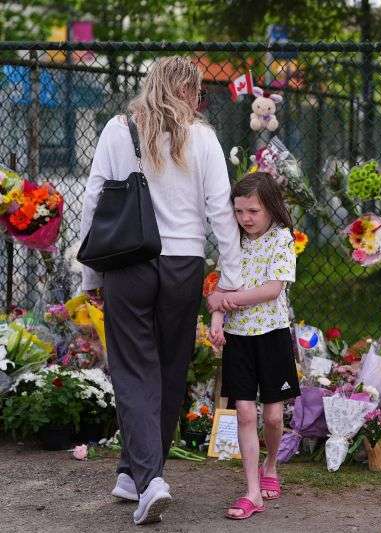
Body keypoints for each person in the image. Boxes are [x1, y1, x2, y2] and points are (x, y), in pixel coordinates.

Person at [78, 56, 243, 525]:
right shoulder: (205, 138)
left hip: (128, 263)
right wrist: (229, 279)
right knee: (169, 369)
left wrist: (90, 275)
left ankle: (146, 478)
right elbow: (220, 215)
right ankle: (136, 474)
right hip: (183, 266)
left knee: (133, 369)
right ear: (190, 91)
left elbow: (95, 199)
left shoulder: (117, 129)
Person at [207, 172, 300, 520]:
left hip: (272, 335)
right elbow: (222, 288)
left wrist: (226, 303)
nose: (245, 218)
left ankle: (271, 464)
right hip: (238, 339)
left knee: (273, 416)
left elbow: (270, 290)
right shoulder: (233, 242)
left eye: (253, 211)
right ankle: (252, 492)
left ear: (271, 209)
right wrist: (217, 320)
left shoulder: (281, 239)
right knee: (245, 412)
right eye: (239, 211)